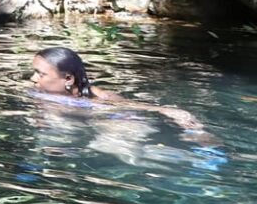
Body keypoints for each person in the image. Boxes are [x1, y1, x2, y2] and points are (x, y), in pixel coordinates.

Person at [30, 46, 211, 137]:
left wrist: (167, 110)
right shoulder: (40, 92)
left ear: (68, 79)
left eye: (40, 74)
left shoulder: (97, 98)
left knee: (116, 144)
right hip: (88, 128)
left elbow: (128, 108)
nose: (33, 78)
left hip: (116, 125)